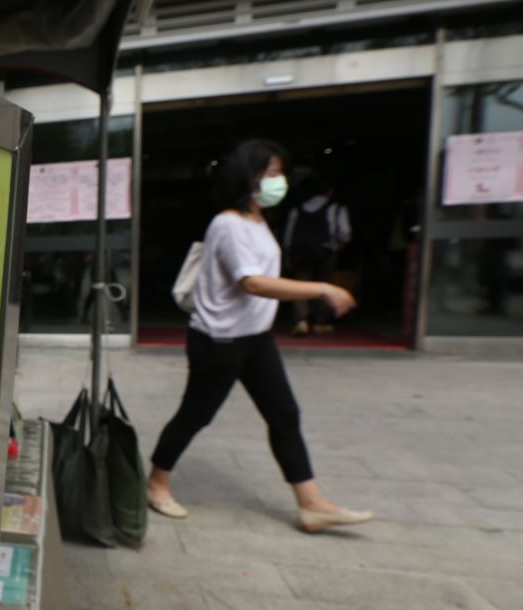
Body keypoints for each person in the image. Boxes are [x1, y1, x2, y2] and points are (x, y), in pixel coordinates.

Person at [146, 140, 373, 533]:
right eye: (272, 174)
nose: (279, 181)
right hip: (219, 341)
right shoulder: (227, 224)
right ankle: (156, 483)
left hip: (256, 338)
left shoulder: (258, 220)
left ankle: (312, 504)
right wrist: (323, 288)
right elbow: (252, 282)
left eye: (279, 173)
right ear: (248, 177)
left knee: (284, 415)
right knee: (196, 414)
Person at [283, 176, 351, 335]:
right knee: (324, 284)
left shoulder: (297, 209)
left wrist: (288, 251)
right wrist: (341, 244)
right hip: (326, 251)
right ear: (329, 191)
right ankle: (321, 322)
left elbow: (288, 235)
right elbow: (345, 232)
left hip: (301, 252)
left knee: (300, 284)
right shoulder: (336, 208)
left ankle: (302, 320)